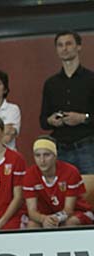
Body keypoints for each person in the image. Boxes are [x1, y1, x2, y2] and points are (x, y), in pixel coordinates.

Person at [39, 30, 94, 174]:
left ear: (79, 47)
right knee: (62, 188)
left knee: (90, 187)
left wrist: (83, 118)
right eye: (60, 45)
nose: (64, 48)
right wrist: (51, 120)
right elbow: (43, 121)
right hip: (60, 148)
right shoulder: (51, 84)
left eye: (69, 44)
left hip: (87, 146)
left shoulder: (91, 80)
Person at [23, 136, 94, 228]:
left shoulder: (70, 171)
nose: (42, 160)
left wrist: (55, 219)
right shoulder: (30, 174)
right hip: (46, 215)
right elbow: (32, 211)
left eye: (47, 155)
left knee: (69, 223)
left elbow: (69, 209)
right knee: (32, 225)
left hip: (77, 211)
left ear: (55, 156)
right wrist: (43, 219)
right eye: (38, 155)